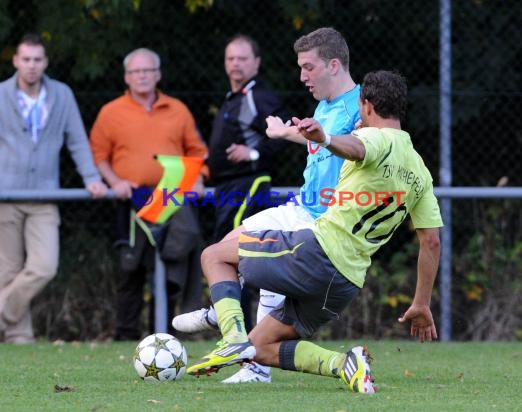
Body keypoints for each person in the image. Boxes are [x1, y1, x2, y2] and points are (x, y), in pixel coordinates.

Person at [186, 70, 444, 394]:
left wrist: (325, 138)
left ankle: (231, 335)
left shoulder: (373, 139)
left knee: (214, 256)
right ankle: (344, 364)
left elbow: (355, 148)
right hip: (345, 283)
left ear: (366, 105)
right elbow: (431, 241)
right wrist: (421, 302)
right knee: (261, 347)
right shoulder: (420, 170)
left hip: (316, 253)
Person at [172, 27, 362, 383]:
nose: (302, 77)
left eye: (308, 67)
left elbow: (362, 145)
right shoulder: (325, 104)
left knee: (241, 263)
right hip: (302, 206)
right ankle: (229, 320)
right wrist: (282, 133)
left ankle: (239, 341)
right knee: (227, 246)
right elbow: (317, 137)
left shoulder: (361, 106)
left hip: (325, 220)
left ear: (333, 65)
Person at [0, 33, 107, 344]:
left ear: (46, 62)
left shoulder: (61, 95)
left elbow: (77, 141)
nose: (31, 66)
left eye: (37, 60)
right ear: (15, 61)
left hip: (45, 195)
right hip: (3, 195)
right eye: (25, 59)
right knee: (8, 273)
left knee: (44, 266)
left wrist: (91, 177)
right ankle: (20, 338)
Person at [89, 48, 208, 341]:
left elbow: (197, 152)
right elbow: (98, 154)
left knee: (168, 269)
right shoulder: (110, 112)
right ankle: (126, 335)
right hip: (131, 201)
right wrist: (114, 181)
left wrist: (198, 179)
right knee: (131, 270)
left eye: (147, 71)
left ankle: (164, 338)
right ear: (126, 77)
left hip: (171, 199)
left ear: (158, 74)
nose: (141, 76)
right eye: (135, 72)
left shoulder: (177, 109)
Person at [207, 34, 289, 243]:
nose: (235, 63)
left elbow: (286, 134)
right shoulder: (233, 97)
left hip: (248, 185)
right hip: (228, 188)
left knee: (231, 250)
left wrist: (253, 153)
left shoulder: (259, 97)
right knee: (224, 249)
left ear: (257, 62)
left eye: (242, 59)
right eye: (231, 58)